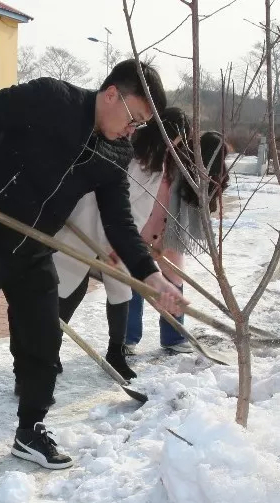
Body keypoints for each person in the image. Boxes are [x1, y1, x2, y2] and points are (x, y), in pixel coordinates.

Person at [0, 59, 186, 481]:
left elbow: (120, 223)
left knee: (44, 343)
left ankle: (30, 430)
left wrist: (151, 275)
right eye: (135, 118)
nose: (133, 131)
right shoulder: (50, 99)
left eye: (141, 126)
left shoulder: (116, 151)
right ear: (111, 93)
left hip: (34, 252)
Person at [53, 107, 193, 377]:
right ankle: (50, 349)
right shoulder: (127, 145)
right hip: (85, 224)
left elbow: (140, 208)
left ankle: (116, 353)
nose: (179, 144)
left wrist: (128, 243)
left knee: (121, 293)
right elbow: (106, 198)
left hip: (118, 236)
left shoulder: (157, 161)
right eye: (180, 137)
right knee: (70, 289)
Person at [126, 130, 230, 354]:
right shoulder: (169, 163)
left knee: (173, 284)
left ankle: (173, 337)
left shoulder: (195, 176)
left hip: (172, 235)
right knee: (137, 283)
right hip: (145, 229)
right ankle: (128, 339)